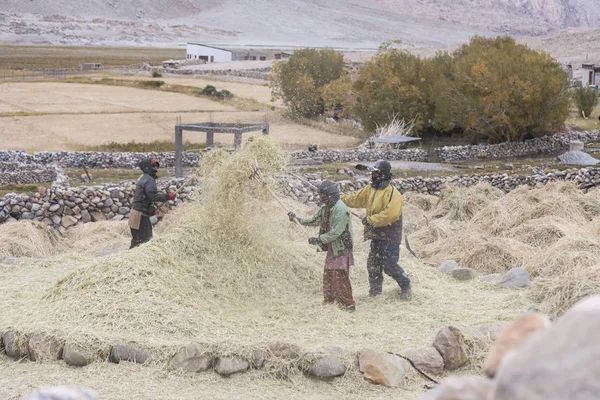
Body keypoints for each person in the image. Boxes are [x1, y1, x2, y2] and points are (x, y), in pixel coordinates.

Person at [341, 160, 412, 299]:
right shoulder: (370, 189)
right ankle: (375, 293)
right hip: (376, 233)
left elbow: (389, 215)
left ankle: (406, 284)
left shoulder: (393, 194)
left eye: (375, 173)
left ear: (383, 175)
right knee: (373, 264)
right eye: (372, 173)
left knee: (389, 265)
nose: (372, 176)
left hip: (390, 234)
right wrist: (339, 199)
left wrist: (370, 220)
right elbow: (355, 198)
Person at [288, 181, 356, 312]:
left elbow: (336, 232)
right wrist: (297, 219)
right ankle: (331, 302)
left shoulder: (340, 209)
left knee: (340, 275)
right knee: (329, 274)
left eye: (322, 196)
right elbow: (314, 220)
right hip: (333, 247)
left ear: (329, 196)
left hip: (341, 247)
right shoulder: (326, 208)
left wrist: (319, 239)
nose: (320, 198)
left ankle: (348, 304)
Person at [128, 158, 175, 249]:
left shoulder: (144, 178)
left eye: (157, 166)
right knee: (145, 242)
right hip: (140, 216)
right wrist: (168, 197)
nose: (156, 168)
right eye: (153, 166)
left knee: (136, 241)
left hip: (136, 213)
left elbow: (145, 197)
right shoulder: (149, 180)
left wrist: (151, 209)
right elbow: (153, 196)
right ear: (147, 167)